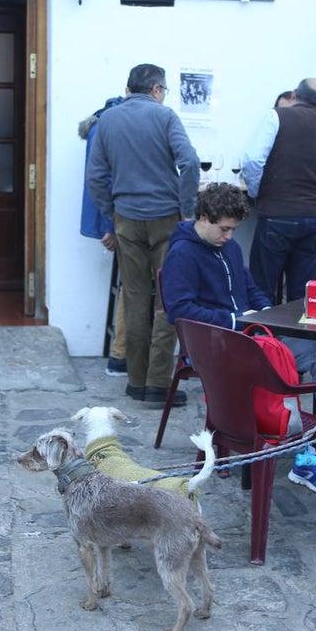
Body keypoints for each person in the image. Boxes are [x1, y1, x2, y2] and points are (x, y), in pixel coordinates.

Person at [161, 182, 316, 495]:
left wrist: (264, 310)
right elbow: (180, 312)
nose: (230, 237)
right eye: (224, 229)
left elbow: (250, 287)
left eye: (234, 229)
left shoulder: (228, 248)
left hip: (250, 338)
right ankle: (304, 454)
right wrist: (238, 320)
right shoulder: (182, 254)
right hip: (215, 347)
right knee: (279, 369)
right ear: (203, 218)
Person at [86, 63, 200, 406]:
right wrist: (188, 210)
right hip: (165, 218)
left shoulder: (107, 120)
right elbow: (190, 163)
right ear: (156, 89)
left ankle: (136, 381)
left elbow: (95, 177)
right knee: (167, 298)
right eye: (163, 91)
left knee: (134, 298)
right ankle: (158, 384)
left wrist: (112, 212)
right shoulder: (165, 118)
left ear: (128, 87)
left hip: (127, 220)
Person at [242, 77, 316, 302]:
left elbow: (252, 161)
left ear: (294, 95)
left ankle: (262, 337)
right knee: (302, 295)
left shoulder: (277, 116)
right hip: (314, 221)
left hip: (276, 219)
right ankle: (297, 338)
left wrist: (258, 192)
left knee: (262, 289)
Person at [79, 95, 128, 377]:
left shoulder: (102, 123)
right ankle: (120, 356)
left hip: (118, 217)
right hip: (127, 218)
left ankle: (120, 355)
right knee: (135, 288)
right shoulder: (112, 127)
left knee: (131, 287)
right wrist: (111, 225)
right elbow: (104, 179)